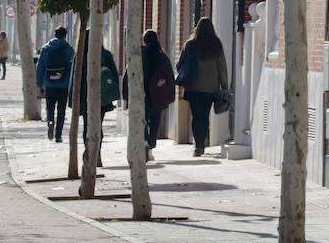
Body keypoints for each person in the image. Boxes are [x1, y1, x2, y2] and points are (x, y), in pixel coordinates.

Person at [176, 18, 229, 157]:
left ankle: (198, 144)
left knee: (196, 116)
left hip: (193, 87)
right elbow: (222, 68)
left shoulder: (190, 44)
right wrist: (224, 86)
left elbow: (180, 64)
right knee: (204, 116)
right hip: (210, 88)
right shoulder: (216, 45)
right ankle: (201, 143)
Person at [124, 29, 175, 161]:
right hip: (157, 95)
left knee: (143, 120)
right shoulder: (162, 56)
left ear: (144, 40)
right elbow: (169, 76)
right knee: (155, 121)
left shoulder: (139, 54)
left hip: (141, 93)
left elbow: (127, 75)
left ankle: (145, 141)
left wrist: (125, 96)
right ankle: (150, 145)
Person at [77, 30, 118, 144]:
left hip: (85, 97)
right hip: (103, 98)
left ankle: (89, 153)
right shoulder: (106, 55)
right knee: (98, 125)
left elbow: (74, 80)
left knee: (87, 125)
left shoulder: (80, 56)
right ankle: (96, 153)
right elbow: (114, 76)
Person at [35, 27, 74, 142]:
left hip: (49, 84)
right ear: (65, 35)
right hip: (64, 84)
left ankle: (50, 121)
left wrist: (39, 83)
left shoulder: (46, 48)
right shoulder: (68, 49)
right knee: (61, 110)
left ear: (55, 34)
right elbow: (72, 68)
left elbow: (40, 67)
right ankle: (58, 135)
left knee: (50, 106)